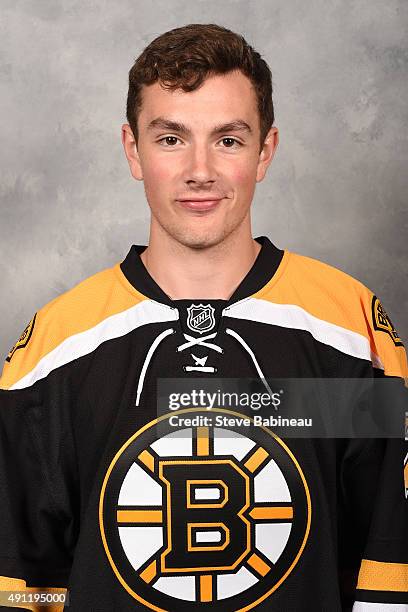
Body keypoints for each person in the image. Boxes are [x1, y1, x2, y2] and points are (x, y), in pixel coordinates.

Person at [0, 22, 406, 612]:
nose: (200, 170)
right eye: (170, 139)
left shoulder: (347, 328)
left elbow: (388, 566)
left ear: (265, 151)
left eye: (228, 140)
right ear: (132, 150)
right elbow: (22, 581)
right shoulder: (56, 348)